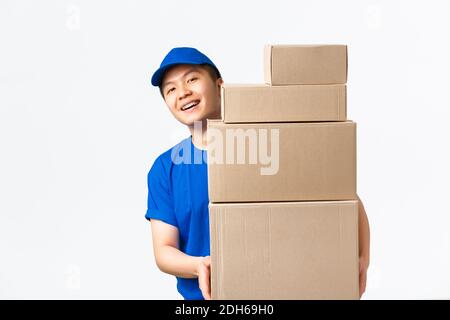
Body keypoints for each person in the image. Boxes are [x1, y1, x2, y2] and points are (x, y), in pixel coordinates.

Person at [145, 47, 370, 300]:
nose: (183, 92)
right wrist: (200, 265)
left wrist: (362, 256)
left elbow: (338, 195)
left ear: (220, 85)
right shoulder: (165, 168)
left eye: (192, 79)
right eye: (170, 89)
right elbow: (164, 250)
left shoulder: (265, 145)